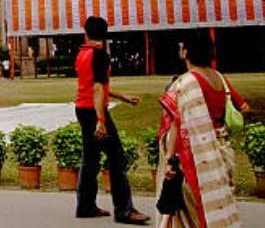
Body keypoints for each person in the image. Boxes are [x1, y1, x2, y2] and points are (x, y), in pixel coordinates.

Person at [156, 33, 249, 228]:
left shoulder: (185, 82)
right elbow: (243, 107)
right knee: (217, 205)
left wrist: (170, 160)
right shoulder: (218, 77)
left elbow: (175, 123)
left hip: (195, 157)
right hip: (221, 151)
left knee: (195, 212)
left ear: (186, 52)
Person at [74, 16, 148, 224]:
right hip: (94, 111)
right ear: (105, 35)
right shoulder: (100, 55)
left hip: (82, 108)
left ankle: (85, 205)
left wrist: (122, 97)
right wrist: (101, 120)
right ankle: (124, 210)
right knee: (116, 158)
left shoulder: (83, 53)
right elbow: (97, 88)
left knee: (90, 159)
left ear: (86, 33)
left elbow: (96, 85)